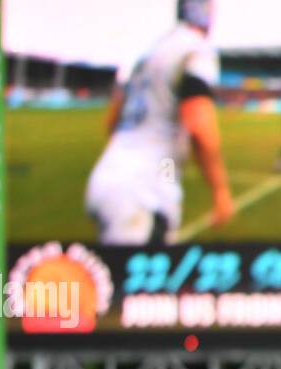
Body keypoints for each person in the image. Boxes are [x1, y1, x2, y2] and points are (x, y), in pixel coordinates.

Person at [85, 0, 232, 243]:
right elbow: (199, 124)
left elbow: (112, 121)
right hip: (143, 193)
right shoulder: (196, 49)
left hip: (108, 176)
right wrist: (220, 190)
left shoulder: (151, 51)